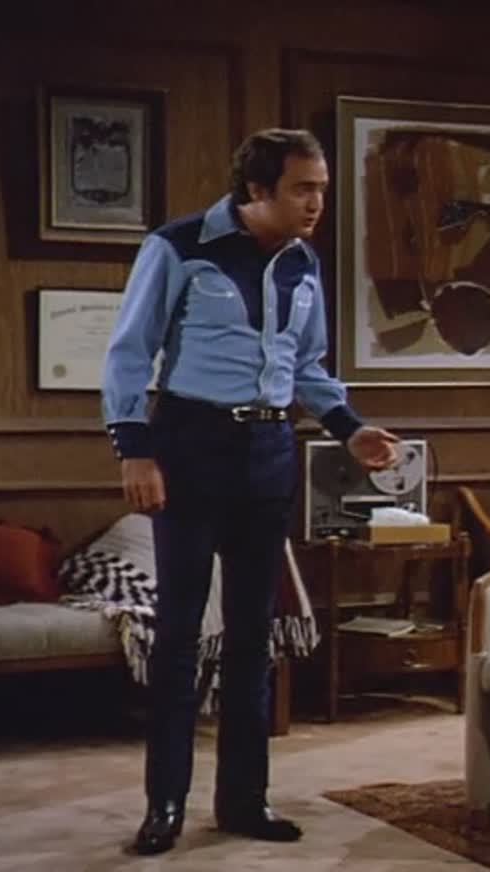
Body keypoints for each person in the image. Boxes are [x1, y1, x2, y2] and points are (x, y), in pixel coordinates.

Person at [101, 128, 399, 856]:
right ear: (257, 190)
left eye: (322, 188)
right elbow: (129, 352)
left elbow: (307, 366)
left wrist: (350, 428)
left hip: (269, 455)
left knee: (251, 637)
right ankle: (164, 805)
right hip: (190, 447)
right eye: (303, 189)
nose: (317, 203)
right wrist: (134, 451)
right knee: (179, 638)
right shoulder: (178, 247)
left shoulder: (303, 263)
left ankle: (243, 799)